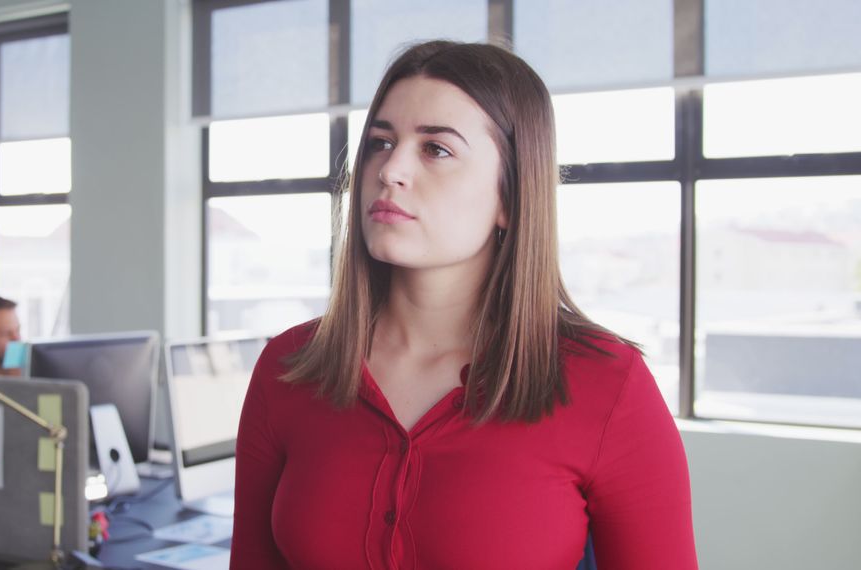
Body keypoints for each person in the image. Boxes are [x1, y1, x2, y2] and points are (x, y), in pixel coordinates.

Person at [231, 41, 697, 569]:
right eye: (381, 143)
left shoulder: (609, 385)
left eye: (436, 149)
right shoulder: (288, 368)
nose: (391, 170)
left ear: (509, 196)